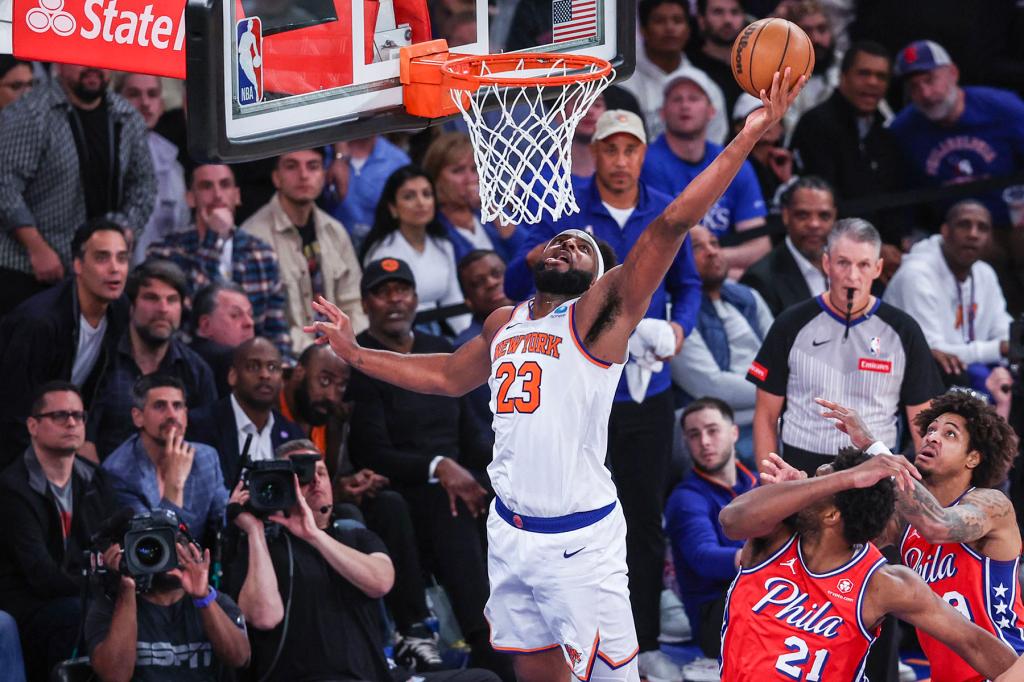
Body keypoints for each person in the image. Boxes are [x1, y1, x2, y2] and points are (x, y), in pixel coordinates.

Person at [307, 69, 804, 681]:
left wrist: (746, 138)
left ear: (600, 280)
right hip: (511, 532)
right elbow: (442, 376)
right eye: (562, 239)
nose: (568, 244)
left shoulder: (599, 317)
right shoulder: (501, 322)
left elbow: (671, 223)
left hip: (579, 540)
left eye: (583, 249)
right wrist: (355, 355)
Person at [504, 108, 702, 679]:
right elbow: (517, 285)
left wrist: (683, 328)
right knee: (579, 510)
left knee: (642, 515)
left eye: (629, 150)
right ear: (594, 151)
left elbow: (687, 282)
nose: (619, 161)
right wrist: (538, 249)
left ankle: (639, 642)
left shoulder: (663, 205)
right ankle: (568, 643)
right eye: (608, 149)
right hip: (579, 386)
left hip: (649, 383)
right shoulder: (565, 212)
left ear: (644, 153)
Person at [717, 447, 1018, 682]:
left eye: (820, 481)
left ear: (832, 515)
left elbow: (974, 642)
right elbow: (731, 520)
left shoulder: (882, 583)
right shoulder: (775, 534)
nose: (809, 481)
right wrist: (835, 481)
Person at [345, 257, 507, 676]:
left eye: (402, 290)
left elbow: (472, 430)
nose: (395, 299)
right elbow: (371, 451)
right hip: (408, 489)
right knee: (448, 507)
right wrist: (439, 467)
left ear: (417, 298)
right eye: (383, 291)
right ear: (366, 302)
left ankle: (526, 637)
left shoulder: (441, 346)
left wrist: (488, 476)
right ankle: (481, 641)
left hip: (460, 483)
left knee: (502, 497)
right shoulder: (361, 359)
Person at [226, 440, 499, 682]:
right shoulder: (260, 548)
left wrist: (313, 535)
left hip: (375, 675)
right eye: (300, 475)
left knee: (483, 679)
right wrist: (254, 531)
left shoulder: (355, 536)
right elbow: (263, 616)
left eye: (320, 472)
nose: (315, 481)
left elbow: (380, 582)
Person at [817, 391, 1024, 682]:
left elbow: (938, 525)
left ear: (973, 458)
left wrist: (872, 446)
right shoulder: (904, 521)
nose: (933, 437)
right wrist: (812, 484)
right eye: (930, 430)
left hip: (1005, 669)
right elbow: (840, 539)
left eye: (950, 434)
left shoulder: (991, 505)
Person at [748, 218, 944, 475]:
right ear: (827, 263)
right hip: (801, 473)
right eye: (843, 263)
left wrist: (924, 491)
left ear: (877, 268)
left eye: (863, 265)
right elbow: (765, 415)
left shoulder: (904, 330)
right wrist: (769, 482)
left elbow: (923, 423)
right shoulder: (790, 324)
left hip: (876, 473)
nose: (852, 276)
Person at [0, 64, 154, 314]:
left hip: (98, 271)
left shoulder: (125, 115)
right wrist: (37, 248)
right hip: (28, 269)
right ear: (60, 62)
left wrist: (125, 232)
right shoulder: (29, 113)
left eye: (102, 58)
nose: (93, 67)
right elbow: (5, 185)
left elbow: (144, 183)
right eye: (82, 58)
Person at [0, 382, 117, 681]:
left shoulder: (94, 478)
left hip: (79, 593)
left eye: (79, 416)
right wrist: (99, 585)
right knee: (79, 615)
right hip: (27, 603)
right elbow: (40, 574)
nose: (72, 423)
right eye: (60, 415)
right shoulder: (13, 488)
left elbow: (114, 535)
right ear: (33, 425)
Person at [0, 218, 130, 466]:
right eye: (102, 258)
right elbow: (12, 408)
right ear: (78, 265)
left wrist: (88, 438)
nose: (115, 268)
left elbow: (99, 385)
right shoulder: (40, 322)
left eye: (122, 258)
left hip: (63, 432)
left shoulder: (120, 309)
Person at [146, 163, 292, 356]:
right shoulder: (165, 251)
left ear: (237, 195)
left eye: (225, 185)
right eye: (206, 186)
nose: (217, 195)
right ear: (190, 198)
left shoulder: (261, 253)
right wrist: (213, 238)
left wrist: (283, 370)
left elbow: (276, 328)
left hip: (250, 366)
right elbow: (192, 319)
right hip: (192, 363)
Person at [86, 511, 250, 681]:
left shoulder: (217, 601)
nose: (170, 553)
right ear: (130, 553)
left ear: (195, 550)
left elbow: (239, 658)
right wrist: (127, 587)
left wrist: (204, 599)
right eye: (155, 546)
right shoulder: (110, 606)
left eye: (178, 542)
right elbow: (115, 676)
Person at [641, 71, 769, 275]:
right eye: (676, 99)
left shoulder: (735, 161)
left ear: (711, 111)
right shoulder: (645, 162)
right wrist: (722, 264)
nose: (685, 105)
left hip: (723, 279)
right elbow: (656, 242)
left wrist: (714, 259)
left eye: (693, 98)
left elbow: (761, 246)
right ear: (662, 112)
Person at [240, 149, 367, 353]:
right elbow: (261, 323)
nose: (303, 175)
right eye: (291, 166)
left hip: (343, 354)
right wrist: (318, 353)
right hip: (286, 359)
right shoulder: (253, 236)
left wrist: (351, 346)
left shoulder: (334, 230)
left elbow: (354, 302)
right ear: (276, 177)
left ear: (324, 175)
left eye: (313, 166)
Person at [88, 259, 216, 458]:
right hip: (105, 481)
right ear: (131, 306)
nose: (163, 309)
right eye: (151, 298)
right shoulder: (101, 359)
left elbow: (205, 445)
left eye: (172, 300)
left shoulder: (196, 371)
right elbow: (84, 441)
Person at [889, 40, 1024, 229]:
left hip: (1009, 225)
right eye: (914, 87)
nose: (925, 94)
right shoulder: (903, 130)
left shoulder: (1004, 108)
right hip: (947, 235)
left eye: (930, 80)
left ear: (953, 73)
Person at [885, 201, 1014, 393]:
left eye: (982, 228)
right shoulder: (916, 274)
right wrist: (1000, 349)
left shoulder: (985, 273)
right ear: (945, 231)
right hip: (910, 376)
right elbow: (932, 351)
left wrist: (1013, 344)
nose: (973, 234)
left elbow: (1002, 327)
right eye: (964, 225)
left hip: (970, 369)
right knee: (951, 371)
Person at [789, 41, 910, 245]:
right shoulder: (816, 125)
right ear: (843, 76)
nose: (873, 82)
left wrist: (894, 242)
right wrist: (873, 248)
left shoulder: (886, 132)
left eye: (881, 76)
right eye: (864, 73)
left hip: (882, 249)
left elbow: (895, 198)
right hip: (831, 246)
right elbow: (824, 199)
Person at [663, 397, 755, 658]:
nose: (704, 442)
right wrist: (762, 558)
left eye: (712, 430)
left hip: (761, 594)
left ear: (734, 433)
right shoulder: (685, 498)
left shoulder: (760, 482)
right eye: (694, 435)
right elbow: (704, 557)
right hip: (715, 614)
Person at [671, 226, 773, 455]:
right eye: (697, 247)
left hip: (770, 411)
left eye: (714, 243)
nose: (712, 252)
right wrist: (778, 391)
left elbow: (781, 358)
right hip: (720, 425)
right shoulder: (674, 313)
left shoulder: (749, 297)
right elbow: (711, 387)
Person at [102, 374, 228, 542]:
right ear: (138, 417)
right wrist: (174, 485)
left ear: (186, 414)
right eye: (160, 406)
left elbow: (223, 521)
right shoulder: (119, 472)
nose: (171, 415)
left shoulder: (206, 458)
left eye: (177, 406)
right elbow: (153, 542)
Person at [360, 166, 470, 334]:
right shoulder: (382, 252)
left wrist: (470, 337)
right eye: (409, 196)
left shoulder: (443, 245)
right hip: (399, 336)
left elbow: (452, 299)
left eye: (427, 194)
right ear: (393, 208)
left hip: (440, 331)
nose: (421, 202)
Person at [187, 337, 305, 489]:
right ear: (233, 376)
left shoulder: (293, 434)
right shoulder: (200, 426)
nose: (265, 375)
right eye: (253, 367)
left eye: (273, 367)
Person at [622, 0, 728, 143]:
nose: (669, 28)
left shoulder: (707, 87)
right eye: (659, 21)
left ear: (688, 30)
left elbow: (714, 147)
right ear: (643, 30)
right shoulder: (624, 82)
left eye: (677, 21)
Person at [113, 72, 190, 264]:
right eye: (134, 94)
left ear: (162, 106)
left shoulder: (173, 162)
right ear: (115, 101)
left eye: (152, 94)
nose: (145, 103)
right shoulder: (107, 155)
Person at [740, 176, 836, 316]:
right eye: (803, 215)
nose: (814, 224)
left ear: (834, 217)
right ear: (785, 216)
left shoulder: (850, 264)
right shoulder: (761, 279)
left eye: (824, 216)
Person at [422, 132, 523, 264]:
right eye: (458, 171)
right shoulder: (431, 223)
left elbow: (526, 251)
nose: (470, 179)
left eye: (474, 169)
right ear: (435, 177)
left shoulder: (489, 211)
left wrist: (490, 206)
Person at [322, 136, 412, 252]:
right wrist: (339, 154)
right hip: (329, 249)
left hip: (382, 249)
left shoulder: (398, 161)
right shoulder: (320, 154)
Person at [280, 344, 351, 473]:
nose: (332, 396)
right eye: (324, 380)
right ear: (299, 372)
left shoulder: (333, 418)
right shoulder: (266, 409)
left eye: (341, 385)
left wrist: (341, 490)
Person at [189, 282, 256, 398]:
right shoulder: (227, 358)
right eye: (235, 315)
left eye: (250, 315)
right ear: (205, 325)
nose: (250, 323)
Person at [686, 0, 745, 117]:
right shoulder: (687, 66)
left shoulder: (755, 67)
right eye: (718, 12)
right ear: (701, 20)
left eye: (734, 12)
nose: (728, 20)